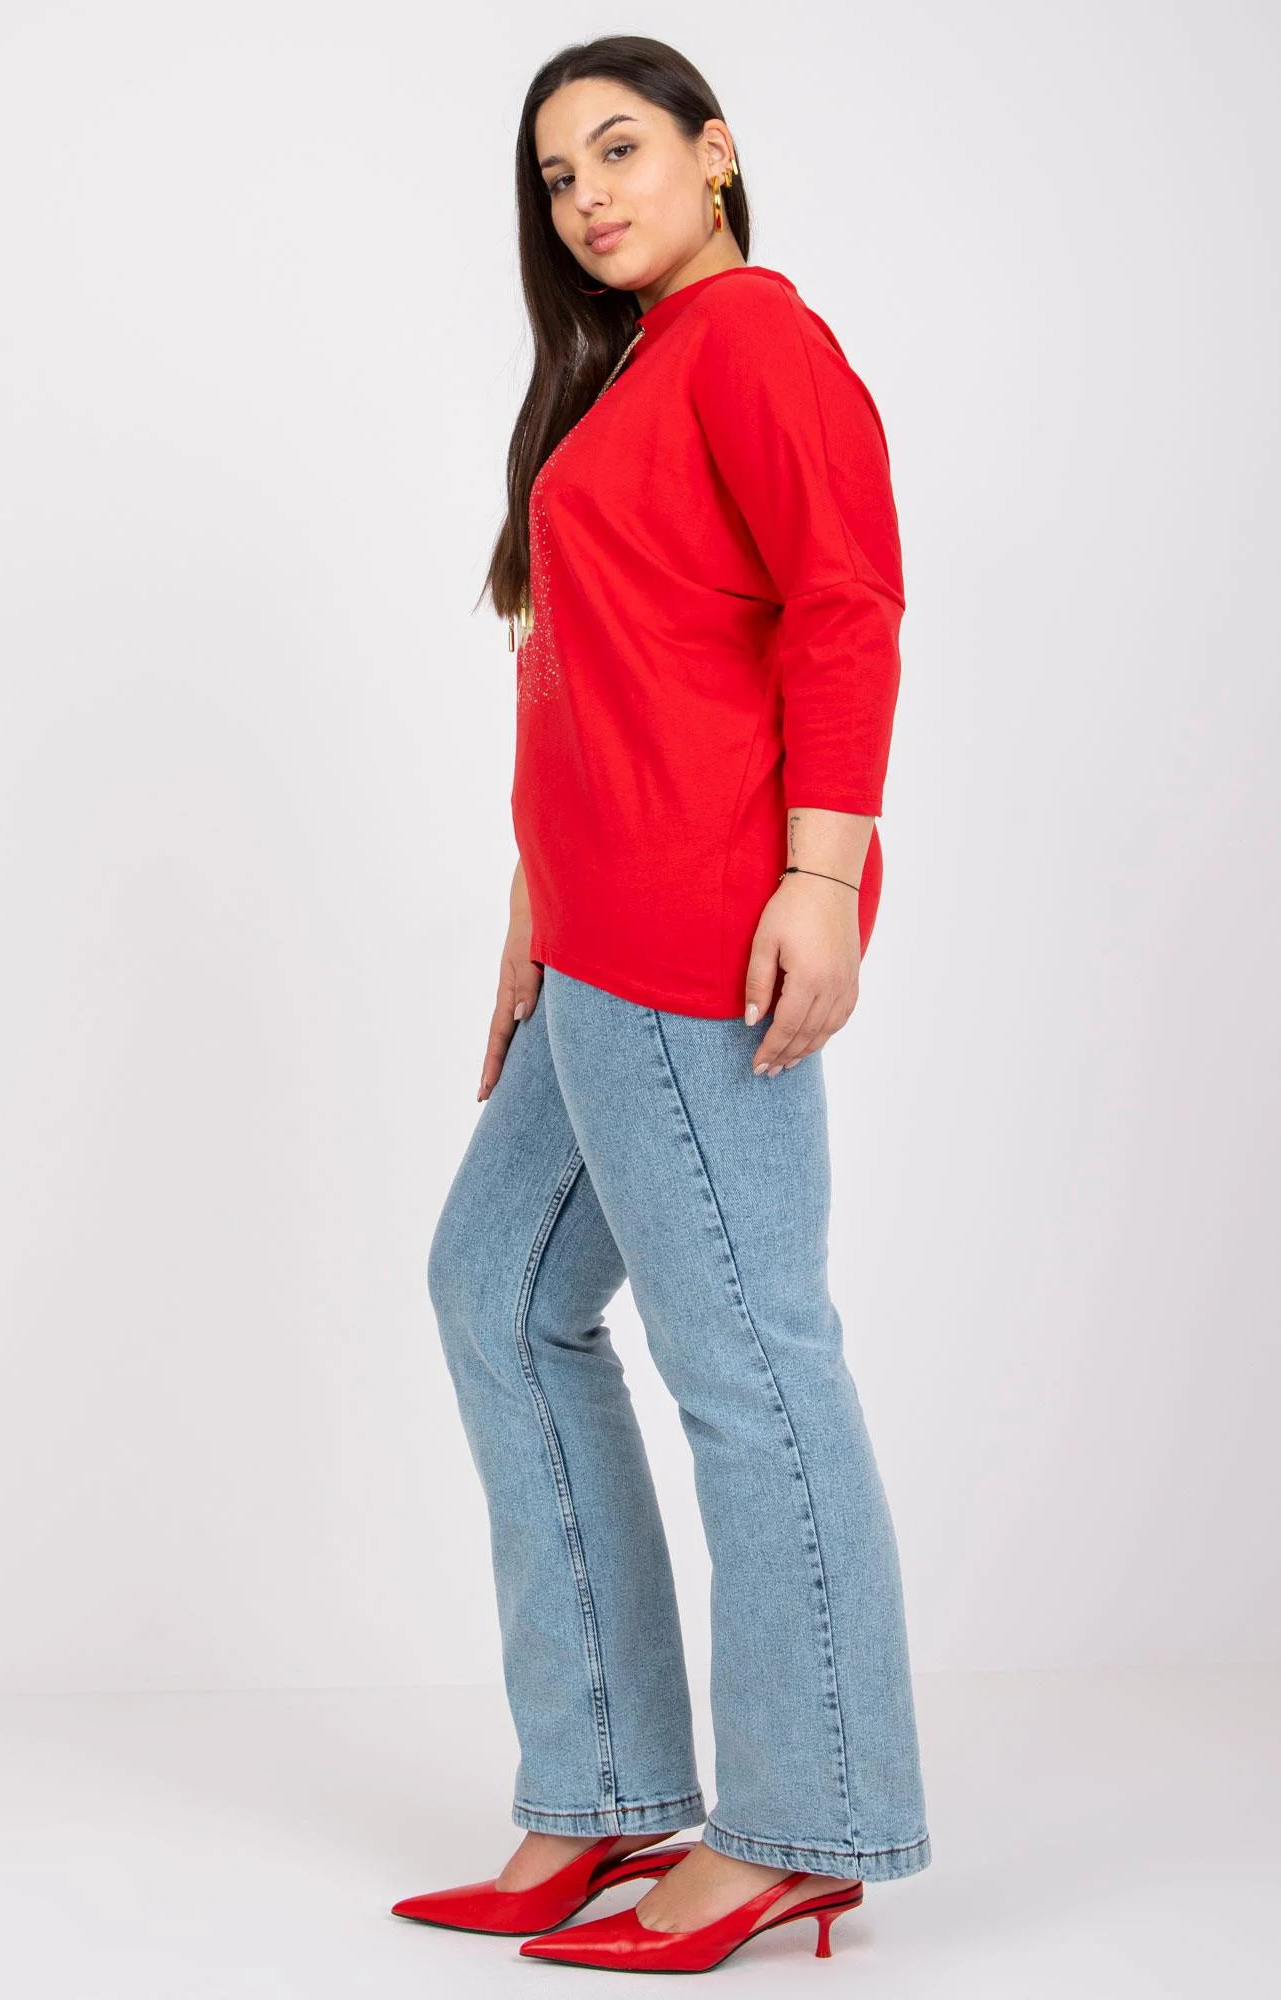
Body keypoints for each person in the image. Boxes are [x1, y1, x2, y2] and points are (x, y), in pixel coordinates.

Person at [390, 33, 931, 1976]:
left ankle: (799, 1826)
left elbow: (847, 607)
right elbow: (595, 678)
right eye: (556, 176)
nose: (587, 196)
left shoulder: (757, 339)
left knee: (751, 1359)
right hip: (593, 942)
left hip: (706, 932)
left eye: (619, 150)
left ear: (716, 155)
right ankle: (609, 1784)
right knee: (496, 1294)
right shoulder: (624, 373)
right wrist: (526, 916)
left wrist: (821, 882)